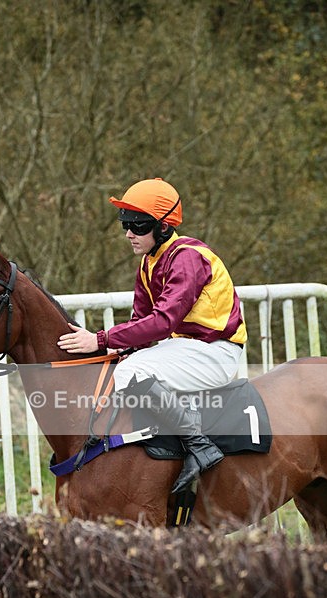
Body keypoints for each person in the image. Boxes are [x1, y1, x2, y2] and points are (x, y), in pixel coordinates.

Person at [57, 177, 247, 493]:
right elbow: (141, 325)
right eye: (124, 224)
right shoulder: (148, 263)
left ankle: (200, 446)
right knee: (123, 365)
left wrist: (100, 339)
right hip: (187, 350)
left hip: (215, 351)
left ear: (162, 227)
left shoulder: (187, 257)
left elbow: (162, 322)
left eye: (138, 225)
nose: (129, 233)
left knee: (133, 369)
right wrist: (106, 351)